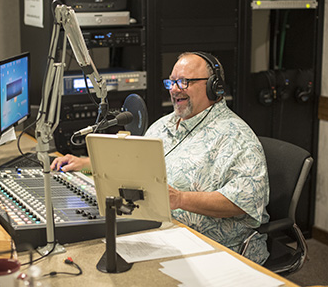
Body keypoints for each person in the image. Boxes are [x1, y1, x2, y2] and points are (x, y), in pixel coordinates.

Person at [51, 52, 270, 264]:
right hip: (159, 234)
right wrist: (87, 164)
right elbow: (135, 165)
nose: (174, 90)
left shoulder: (237, 137)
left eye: (184, 82)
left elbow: (244, 201)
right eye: (171, 82)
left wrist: (180, 199)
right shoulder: (166, 123)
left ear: (214, 87)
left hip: (215, 250)